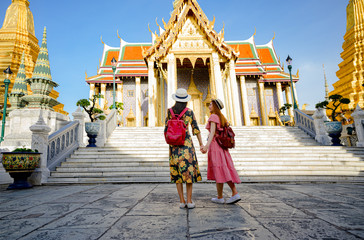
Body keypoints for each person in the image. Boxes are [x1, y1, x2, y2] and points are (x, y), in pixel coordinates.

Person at [165, 88, 204, 209]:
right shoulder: (189, 112)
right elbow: (196, 129)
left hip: (174, 146)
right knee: (188, 174)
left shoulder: (169, 111)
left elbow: (166, 128)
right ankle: (189, 200)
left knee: (177, 174)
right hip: (186, 145)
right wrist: (201, 144)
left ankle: (182, 201)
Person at [201, 99, 241, 204]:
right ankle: (220, 197)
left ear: (215, 106)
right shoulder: (221, 117)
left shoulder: (213, 116)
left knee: (221, 169)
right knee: (221, 170)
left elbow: (212, 132)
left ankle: (234, 192)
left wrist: (206, 146)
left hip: (215, 147)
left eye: (210, 105)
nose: (209, 106)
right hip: (222, 147)